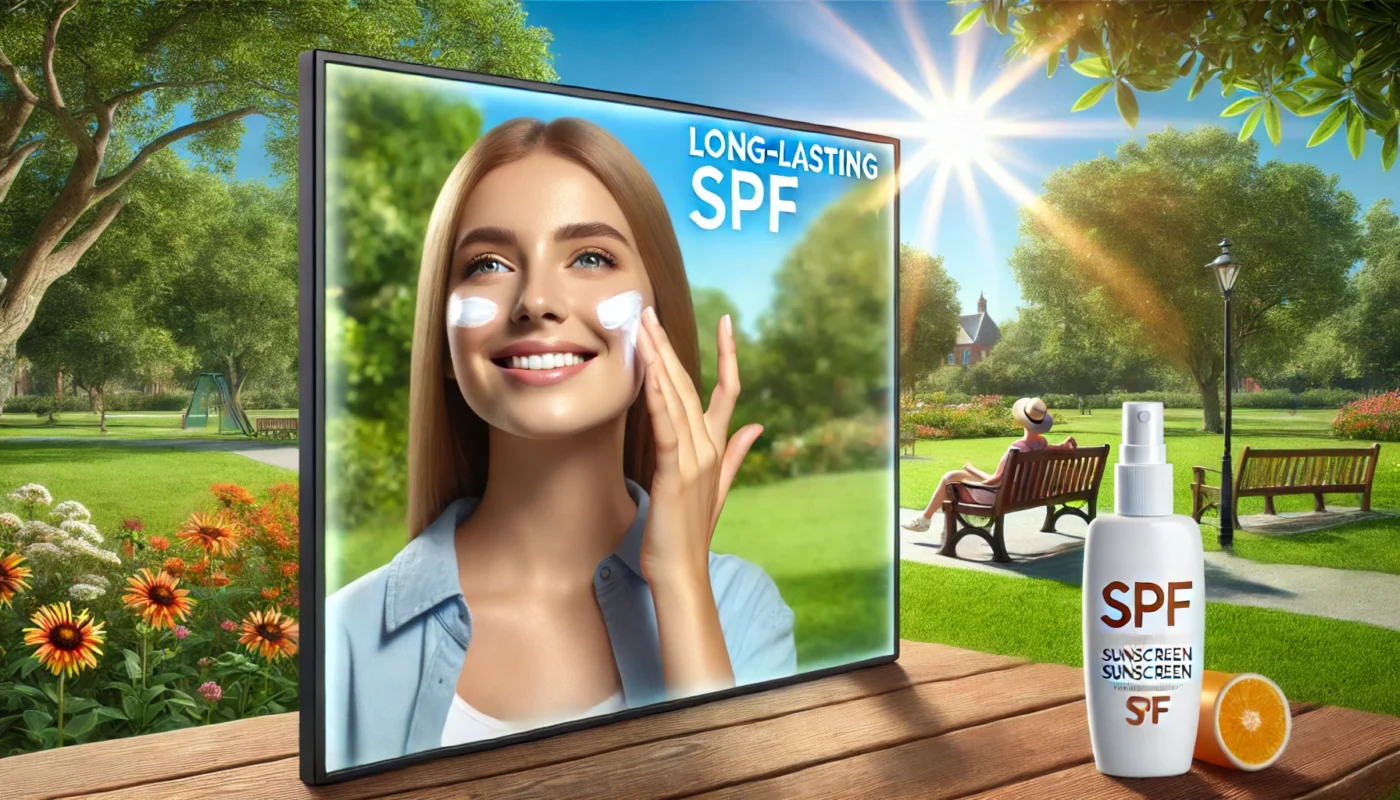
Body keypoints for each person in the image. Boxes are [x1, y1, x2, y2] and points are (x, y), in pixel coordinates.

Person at [325, 117, 796, 772]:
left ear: (661, 308)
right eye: (488, 264)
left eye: (590, 258)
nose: (536, 300)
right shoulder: (344, 636)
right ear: (442, 339)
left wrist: (682, 581)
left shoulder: (741, 608)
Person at [901, 397, 1076, 533]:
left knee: (950, 478)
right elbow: (1004, 478)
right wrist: (1063, 446)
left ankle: (924, 521)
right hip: (1019, 494)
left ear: (1020, 421)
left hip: (1000, 496)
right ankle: (932, 512)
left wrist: (971, 470)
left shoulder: (1017, 449)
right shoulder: (1041, 444)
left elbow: (994, 482)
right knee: (956, 476)